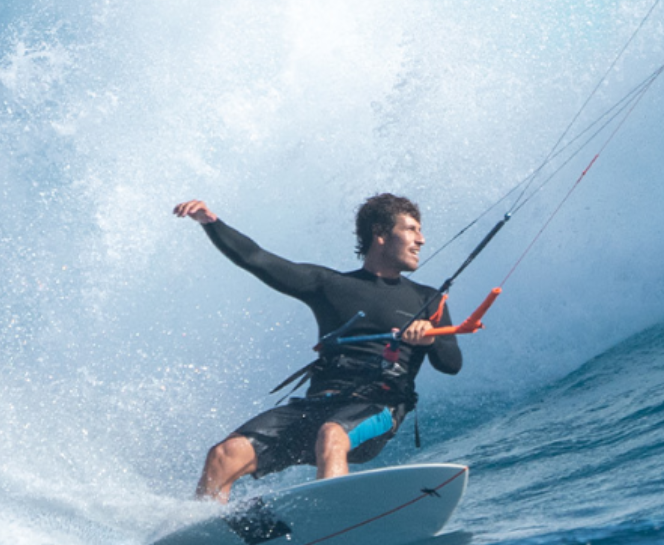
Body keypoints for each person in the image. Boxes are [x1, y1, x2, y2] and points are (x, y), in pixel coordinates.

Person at [173, 193, 463, 502]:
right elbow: (256, 258)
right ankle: (200, 532)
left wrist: (431, 336)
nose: (421, 239)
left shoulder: (427, 299)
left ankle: (332, 514)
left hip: (378, 407)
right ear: (380, 234)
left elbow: (451, 364)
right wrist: (211, 223)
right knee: (223, 454)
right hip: (316, 406)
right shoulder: (330, 285)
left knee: (332, 435)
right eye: (411, 229)